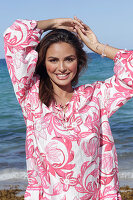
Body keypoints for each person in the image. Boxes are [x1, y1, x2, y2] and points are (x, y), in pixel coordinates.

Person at [3, 16, 133, 200]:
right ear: (43, 63)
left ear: (78, 61)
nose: (62, 68)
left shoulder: (96, 97)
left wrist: (97, 47)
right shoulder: (31, 96)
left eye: (69, 59)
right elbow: (13, 37)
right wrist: (53, 24)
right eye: (53, 60)